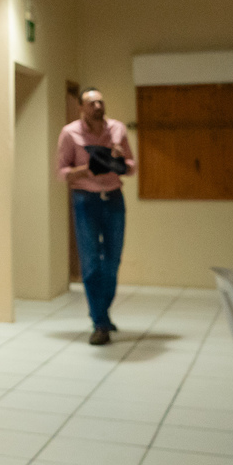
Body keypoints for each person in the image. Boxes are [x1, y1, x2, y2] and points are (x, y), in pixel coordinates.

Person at [56, 89, 135, 345]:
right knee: (90, 263)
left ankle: (102, 311)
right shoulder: (70, 133)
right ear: (81, 107)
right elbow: (62, 173)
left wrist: (121, 162)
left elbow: (132, 167)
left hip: (113, 199)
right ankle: (100, 323)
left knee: (112, 261)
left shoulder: (118, 129)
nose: (98, 105)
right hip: (85, 201)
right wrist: (87, 170)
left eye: (101, 101)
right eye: (92, 103)